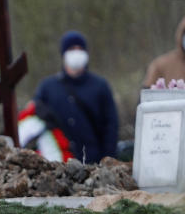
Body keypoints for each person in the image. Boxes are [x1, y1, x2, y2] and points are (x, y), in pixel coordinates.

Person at [28, 31, 118, 164]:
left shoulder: (100, 86)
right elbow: (34, 121)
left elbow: (111, 126)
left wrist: (108, 161)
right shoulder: (47, 87)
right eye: (71, 49)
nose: (76, 52)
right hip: (57, 163)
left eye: (80, 49)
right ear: (64, 54)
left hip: (93, 164)